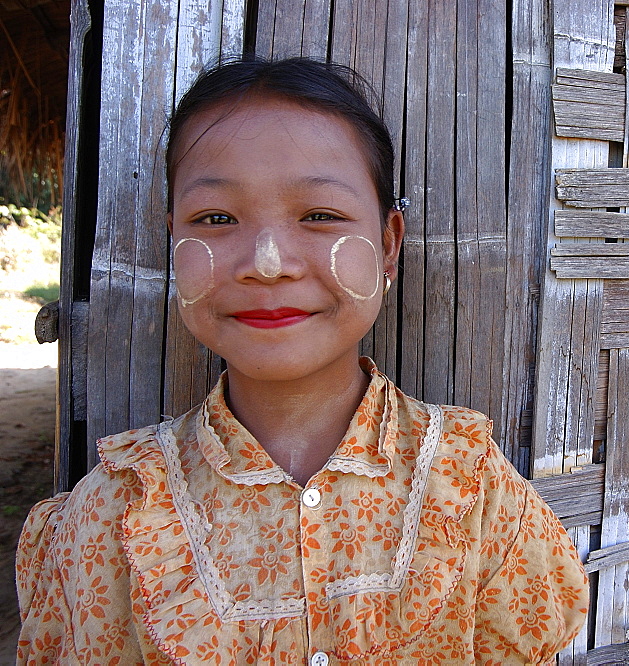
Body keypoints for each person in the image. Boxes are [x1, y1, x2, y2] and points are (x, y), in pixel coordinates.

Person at [16, 57, 588, 664]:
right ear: (174, 243)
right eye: (215, 219)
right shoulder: (107, 520)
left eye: (319, 216)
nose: (267, 262)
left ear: (388, 245)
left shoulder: (473, 494)